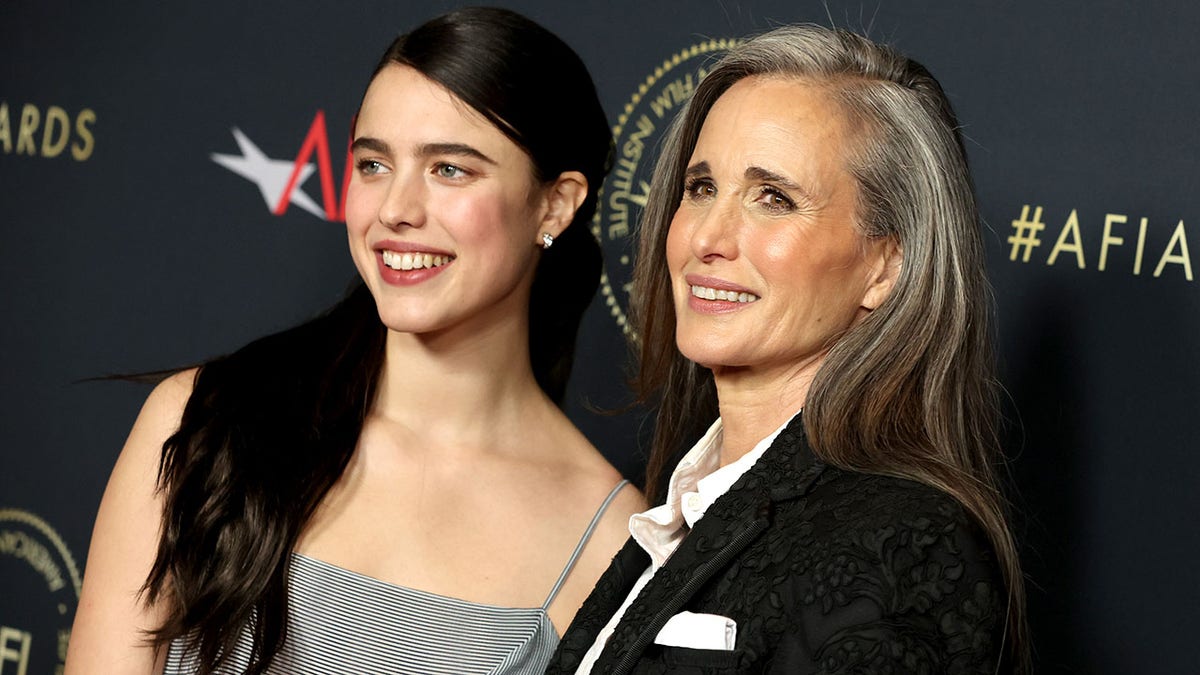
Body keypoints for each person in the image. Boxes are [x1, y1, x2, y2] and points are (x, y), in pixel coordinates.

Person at [65, 7, 644, 674]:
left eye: (449, 169)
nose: (396, 208)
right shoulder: (203, 422)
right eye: (373, 164)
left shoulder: (606, 541)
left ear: (556, 203)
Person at [547, 24, 1029, 674]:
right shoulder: (691, 500)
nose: (708, 238)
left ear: (886, 266)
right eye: (701, 187)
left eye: (773, 198)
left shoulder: (909, 541)